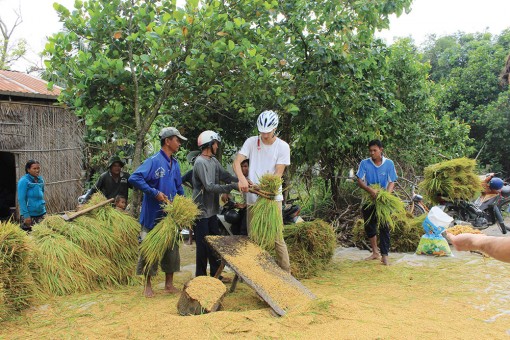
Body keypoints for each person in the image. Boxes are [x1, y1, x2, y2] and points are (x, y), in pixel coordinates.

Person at [128, 127, 187, 298]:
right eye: (177, 140)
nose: (179, 143)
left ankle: (169, 284)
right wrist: (154, 192)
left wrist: (183, 205)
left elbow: (178, 187)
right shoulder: (153, 161)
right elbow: (134, 178)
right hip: (152, 215)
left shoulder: (174, 164)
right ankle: (147, 285)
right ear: (168, 141)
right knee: (149, 251)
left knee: (171, 250)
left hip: (169, 216)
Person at [233, 110, 291, 273]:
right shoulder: (251, 142)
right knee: (254, 237)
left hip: (272, 198)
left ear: (275, 129)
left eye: (268, 132)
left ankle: (287, 274)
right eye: (262, 132)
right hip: (252, 199)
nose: (264, 135)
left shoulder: (282, 147)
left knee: (277, 238)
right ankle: (257, 274)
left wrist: (261, 188)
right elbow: (237, 162)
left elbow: (277, 175)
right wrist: (242, 179)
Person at [192, 130, 238, 280]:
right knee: (203, 245)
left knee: (215, 244)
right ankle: (200, 277)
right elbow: (209, 186)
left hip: (212, 211)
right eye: (216, 143)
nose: (217, 146)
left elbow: (225, 175)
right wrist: (230, 187)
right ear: (210, 144)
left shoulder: (213, 161)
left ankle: (215, 274)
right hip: (201, 211)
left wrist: (241, 181)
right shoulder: (200, 162)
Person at [356, 139, 398, 266]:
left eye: (375, 150)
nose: (372, 153)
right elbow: (359, 180)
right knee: (369, 225)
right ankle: (375, 252)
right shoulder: (365, 163)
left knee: (384, 226)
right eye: (370, 151)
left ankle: (384, 255)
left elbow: (392, 181)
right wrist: (370, 190)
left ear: (381, 150)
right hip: (369, 199)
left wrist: (386, 195)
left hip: (382, 200)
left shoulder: (389, 164)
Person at [17, 160, 46, 232]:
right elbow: (21, 199)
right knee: (30, 239)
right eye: (34, 168)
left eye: (38, 168)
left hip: (41, 213)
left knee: (42, 236)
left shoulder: (40, 180)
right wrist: (26, 216)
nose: (37, 170)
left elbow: (42, 193)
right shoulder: (24, 181)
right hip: (30, 215)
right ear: (28, 170)